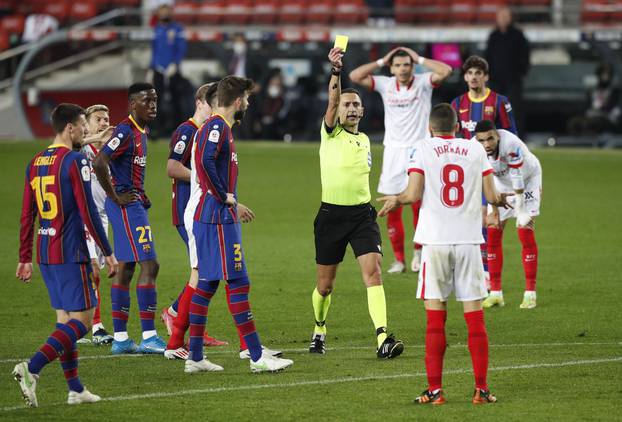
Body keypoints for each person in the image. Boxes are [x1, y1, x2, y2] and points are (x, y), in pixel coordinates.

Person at [377, 103, 512, 405]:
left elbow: (412, 195)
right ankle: (481, 389)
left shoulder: (422, 148)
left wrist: (395, 200)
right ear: (458, 128)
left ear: (430, 127)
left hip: (435, 242)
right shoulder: (475, 149)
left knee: (435, 320)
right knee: (475, 319)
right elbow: (491, 196)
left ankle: (435, 391)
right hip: (468, 242)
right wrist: (503, 199)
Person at [164, 82, 283, 361]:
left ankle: (194, 357)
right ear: (239, 101)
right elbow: (204, 163)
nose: (249, 104)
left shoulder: (217, 128)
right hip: (213, 215)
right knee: (236, 281)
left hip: (210, 213)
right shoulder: (216, 128)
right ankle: (255, 355)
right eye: (248, 99)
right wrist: (226, 197)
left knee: (206, 283)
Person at [14, 103, 119, 408]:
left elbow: (26, 214)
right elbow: (88, 210)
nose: (87, 132)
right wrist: (108, 252)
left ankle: (75, 388)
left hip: (46, 252)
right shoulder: (75, 161)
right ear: (71, 128)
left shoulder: (35, 161)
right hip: (71, 251)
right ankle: (31, 368)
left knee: (66, 322)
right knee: (83, 321)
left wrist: (25, 256)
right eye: (84, 127)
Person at [309, 47, 404, 359]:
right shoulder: (331, 133)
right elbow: (332, 99)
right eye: (346, 104)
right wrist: (336, 72)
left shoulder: (364, 140)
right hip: (331, 216)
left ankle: (381, 339)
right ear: (337, 112)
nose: (350, 108)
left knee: (373, 271)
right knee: (325, 286)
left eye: (356, 105)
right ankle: (319, 328)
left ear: (362, 112)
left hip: (362, 216)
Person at [350, 47, 452, 274]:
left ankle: (419, 253)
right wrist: (381, 61)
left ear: (412, 66)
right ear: (392, 68)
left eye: (407, 64)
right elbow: (355, 76)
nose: (403, 69)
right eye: (397, 65)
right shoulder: (386, 85)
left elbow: (446, 70)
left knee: (419, 205)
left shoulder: (424, 82)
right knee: (391, 205)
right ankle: (399, 260)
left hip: (420, 150)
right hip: (394, 152)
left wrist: (420, 58)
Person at [93, 83, 167, 355]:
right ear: (132, 104)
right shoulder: (125, 130)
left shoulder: (141, 130)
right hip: (127, 205)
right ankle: (149, 336)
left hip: (134, 202)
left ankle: (122, 339)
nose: (153, 105)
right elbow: (100, 162)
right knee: (151, 263)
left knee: (128, 267)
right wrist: (116, 196)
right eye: (147, 101)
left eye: (155, 100)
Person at [161, 83, 228, 349]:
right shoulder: (186, 131)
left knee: (206, 271)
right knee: (203, 272)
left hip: (203, 212)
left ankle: (192, 328)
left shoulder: (207, 132)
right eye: (213, 102)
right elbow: (172, 167)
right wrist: (203, 177)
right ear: (200, 102)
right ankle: (177, 318)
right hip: (188, 213)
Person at [451, 55, 517, 283]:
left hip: (493, 172)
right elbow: (454, 138)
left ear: (485, 76)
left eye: (478, 73)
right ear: (465, 77)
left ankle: (487, 273)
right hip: (468, 172)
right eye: (469, 73)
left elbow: (511, 135)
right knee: (470, 220)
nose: (473, 77)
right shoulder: (458, 104)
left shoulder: (499, 101)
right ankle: (477, 269)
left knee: (488, 221)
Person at [474, 120, 542, 309]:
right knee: (493, 230)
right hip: (500, 183)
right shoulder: (475, 148)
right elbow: (483, 178)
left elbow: (517, 180)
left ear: (497, 135)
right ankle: (496, 294)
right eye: (482, 140)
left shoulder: (511, 144)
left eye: (490, 139)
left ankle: (530, 294)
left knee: (524, 229)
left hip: (528, 180)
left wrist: (520, 212)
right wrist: (493, 209)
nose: (486, 144)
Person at [79, 104, 115, 345]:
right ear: (87, 124)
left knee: (91, 272)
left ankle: (77, 325)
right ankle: (97, 326)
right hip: (83, 217)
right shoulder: (82, 150)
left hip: (102, 218)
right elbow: (72, 143)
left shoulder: (108, 152)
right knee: (91, 270)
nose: (104, 123)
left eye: (106, 119)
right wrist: (95, 138)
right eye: (98, 119)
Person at [485, 7, 530, 135]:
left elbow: (525, 56)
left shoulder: (518, 35)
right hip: (495, 80)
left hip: (513, 80)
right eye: (501, 16)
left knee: (515, 110)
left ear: (511, 18)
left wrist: (521, 73)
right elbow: (488, 56)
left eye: (506, 16)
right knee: (494, 110)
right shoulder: (493, 36)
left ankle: (518, 137)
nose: (503, 19)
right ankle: (494, 136)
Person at [149, 4, 187, 136]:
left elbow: (181, 48)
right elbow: (154, 50)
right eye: (161, 12)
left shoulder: (177, 29)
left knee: (176, 99)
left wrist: (175, 64)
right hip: (158, 69)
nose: (164, 14)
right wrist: (151, 67)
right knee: (155, 100)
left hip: (172, 69)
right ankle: (156, 130)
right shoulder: (157, 29)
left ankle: (179, 129)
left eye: (166, 12)